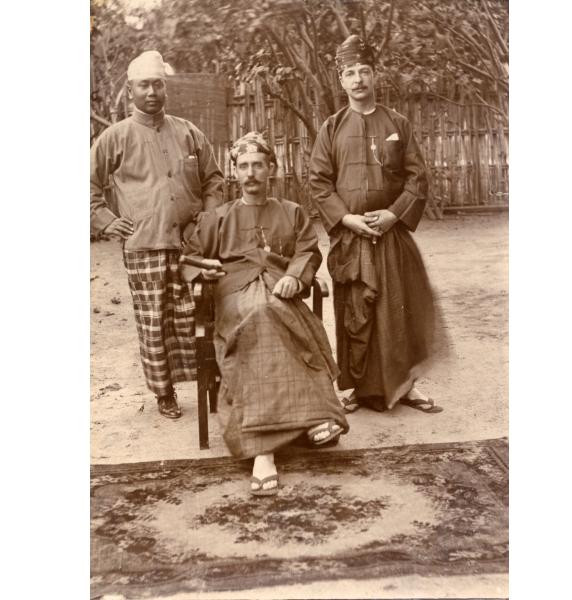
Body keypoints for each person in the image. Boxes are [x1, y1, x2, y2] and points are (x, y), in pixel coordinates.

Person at [180, 132, 349, 496]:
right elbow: (189, 260)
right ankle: (277, 443)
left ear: (272, 168)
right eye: (243, 166)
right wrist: (203, 270)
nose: (251, 173)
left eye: (258, 165)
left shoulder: (291, 211)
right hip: (235, 296)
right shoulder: (216, 218)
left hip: (280, 289)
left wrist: (293, 275)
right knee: (261, 315)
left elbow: (308, 250)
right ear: (234, 174)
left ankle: (272, 444)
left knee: (273, 311)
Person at [309, 35, 444, 414]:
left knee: (399, 311)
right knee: (356, 314)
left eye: (364, 71)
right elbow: (318, 182)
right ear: (341, 80)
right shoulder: (331, 127)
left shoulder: (397, 123)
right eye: (350, 73)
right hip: (351, 238)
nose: (358, 80)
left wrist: (393, 214)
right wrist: (347, 219)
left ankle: (406, 385)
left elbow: (418, 177)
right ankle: (351, 388)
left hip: (391, 235)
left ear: (375, 75)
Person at [91, 50, 224, 419]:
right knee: (155, 320)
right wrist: (104, 220)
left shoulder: (188, 132)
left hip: (192, 243)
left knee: (198, 314)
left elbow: (214, 179)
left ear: (166, 87)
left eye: (158, 84)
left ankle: (208, 384)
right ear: (130, 89)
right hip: (144, 245)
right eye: (143, 85)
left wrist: (206, 218)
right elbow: (87, 184)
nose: (151, 91)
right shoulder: (115, 138)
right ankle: (164, 393)